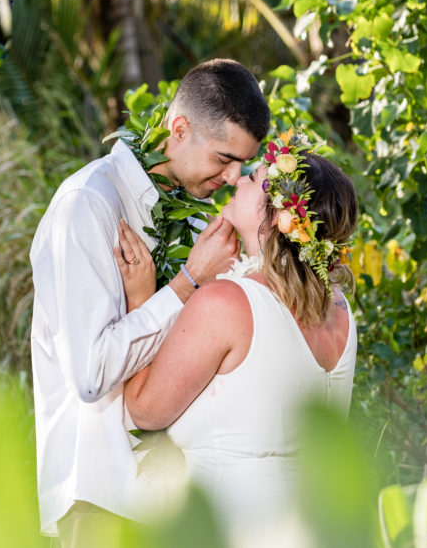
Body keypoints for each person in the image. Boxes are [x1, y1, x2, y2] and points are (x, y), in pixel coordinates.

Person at [30, 59, 271, 545]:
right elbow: (91, 375)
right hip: (101, 495)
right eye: (224, 158)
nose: (232, 176)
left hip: (174, 500)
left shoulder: (199, 217)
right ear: (179, 129)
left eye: (242, 164)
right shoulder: (90, 204)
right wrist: (185, 283)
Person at [118, 131, 359, 548]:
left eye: (253, 179)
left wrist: (141, 298)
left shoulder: (225, 303)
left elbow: (144, 410)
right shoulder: (338, 308)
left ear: (273, 218)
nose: (238, 180)